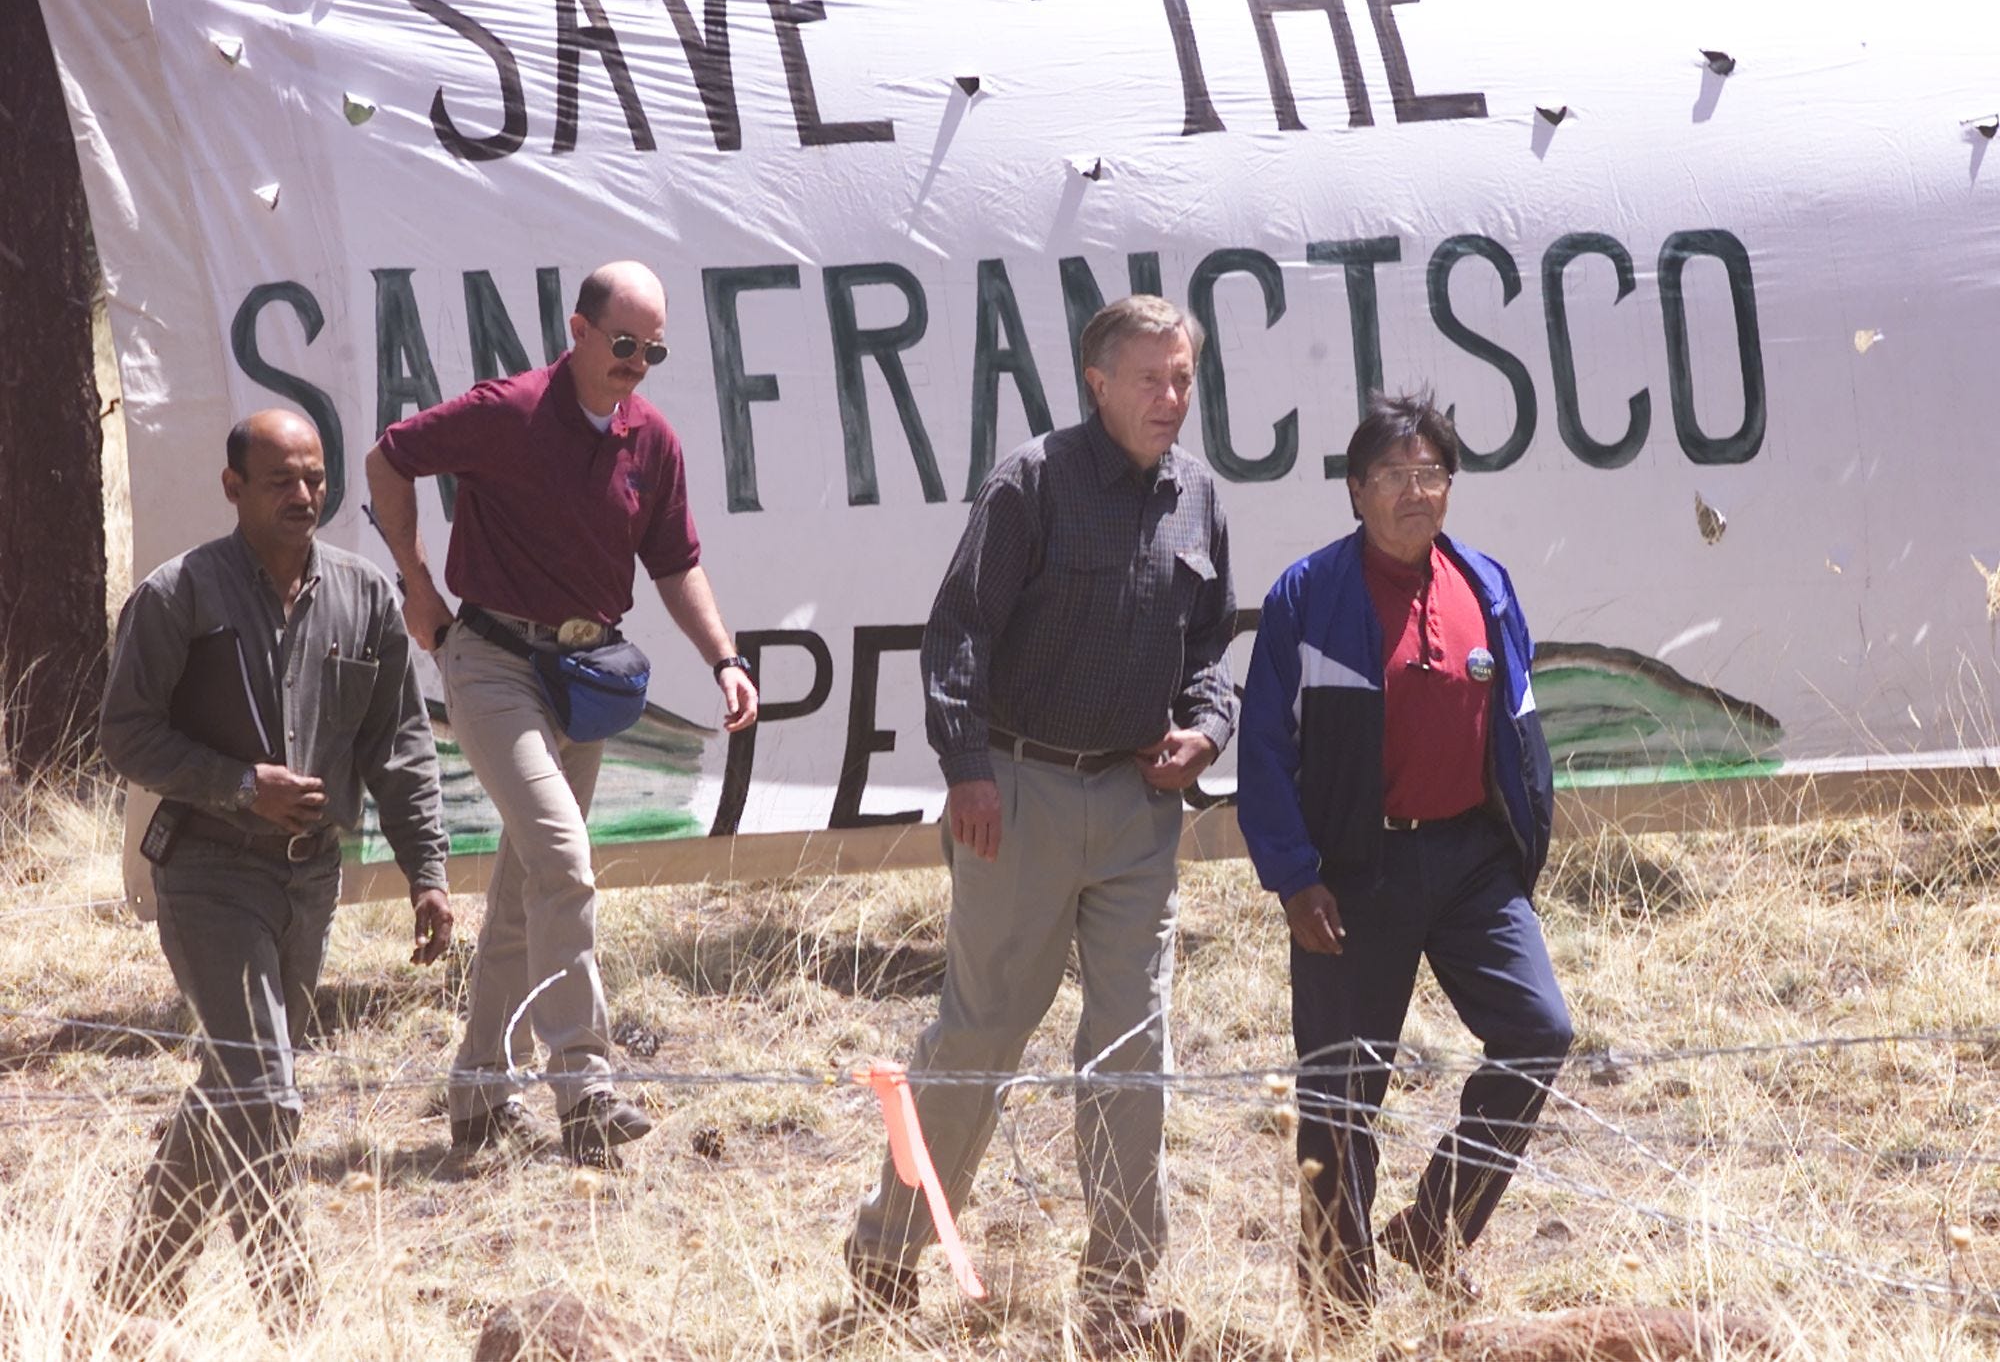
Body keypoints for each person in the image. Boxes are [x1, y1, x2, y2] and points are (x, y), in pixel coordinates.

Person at [844, 295, 1236, 1355]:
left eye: (1184, 376)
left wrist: (1206, 728)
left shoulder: (1198, 495)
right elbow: (956, 630)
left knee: (1132, 1047)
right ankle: (886, 1253)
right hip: (1013, 800)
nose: (1171, 397)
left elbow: (1209, 648)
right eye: (1150, 378)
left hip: (1137, 807)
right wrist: (967, 767)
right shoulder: (1030, 482)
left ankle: (1116, 1296)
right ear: (1094, 381)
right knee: (980, 1033)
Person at [364, 260, 757, 1167]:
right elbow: (389, 458)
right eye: (623, 344)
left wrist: (725, 658)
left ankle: (476, 1086)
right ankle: (582, 1080)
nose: (636, 364)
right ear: (576, 331)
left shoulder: (650, 438)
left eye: (652, 351)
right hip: (493, 660)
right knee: (566, 861)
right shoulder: (509, 410)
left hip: (584, 674)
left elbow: (675, 562)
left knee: (524, 891)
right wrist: (418, 586)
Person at [97, 410, 452, 1327]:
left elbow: (400, 747)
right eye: (280, 481)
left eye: (315, 478)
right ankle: (294, 1313)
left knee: (236, 1083)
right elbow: (124, 733)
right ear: (233, 488)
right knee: (267, 1091)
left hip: (310, 883)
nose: (304, 496)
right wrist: (234, 784)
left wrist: (428, 871)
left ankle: (129, 1294)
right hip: (209, 874)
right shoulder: (180, 595)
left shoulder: (367, 597)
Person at [1237, 391, 1573, 1336]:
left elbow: (1519, 728)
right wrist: (1296, 876)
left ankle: (1434, 1227)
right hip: (1354, 872)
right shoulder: (1308, 597)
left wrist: (1519, 848)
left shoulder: (1487, 584)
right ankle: (1340, 1316)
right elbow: (1262, 752)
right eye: (1393, 475)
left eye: (1432, 474)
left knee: (1539, 1031)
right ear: (1356, 491)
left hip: (1471, 864)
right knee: (1341, 1094)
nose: (1415, 492)